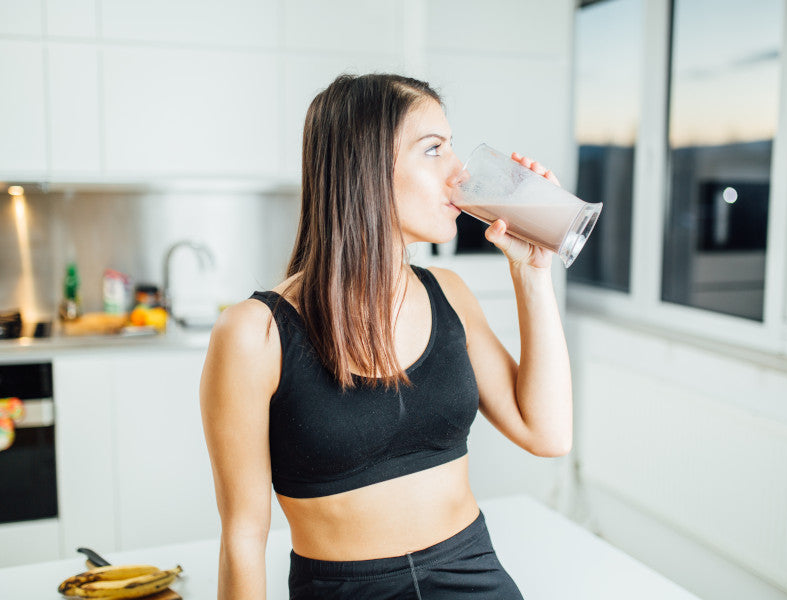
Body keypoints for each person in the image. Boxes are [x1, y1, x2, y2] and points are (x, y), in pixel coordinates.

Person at [199, 73, 572, 600]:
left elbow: (548, 433)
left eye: (452, 147)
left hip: (474, 575)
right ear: (365, 167)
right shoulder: (253, 334)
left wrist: (532, 274)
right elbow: (242, 538)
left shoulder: (450, 293)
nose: (461, 172)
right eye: (434, 149)